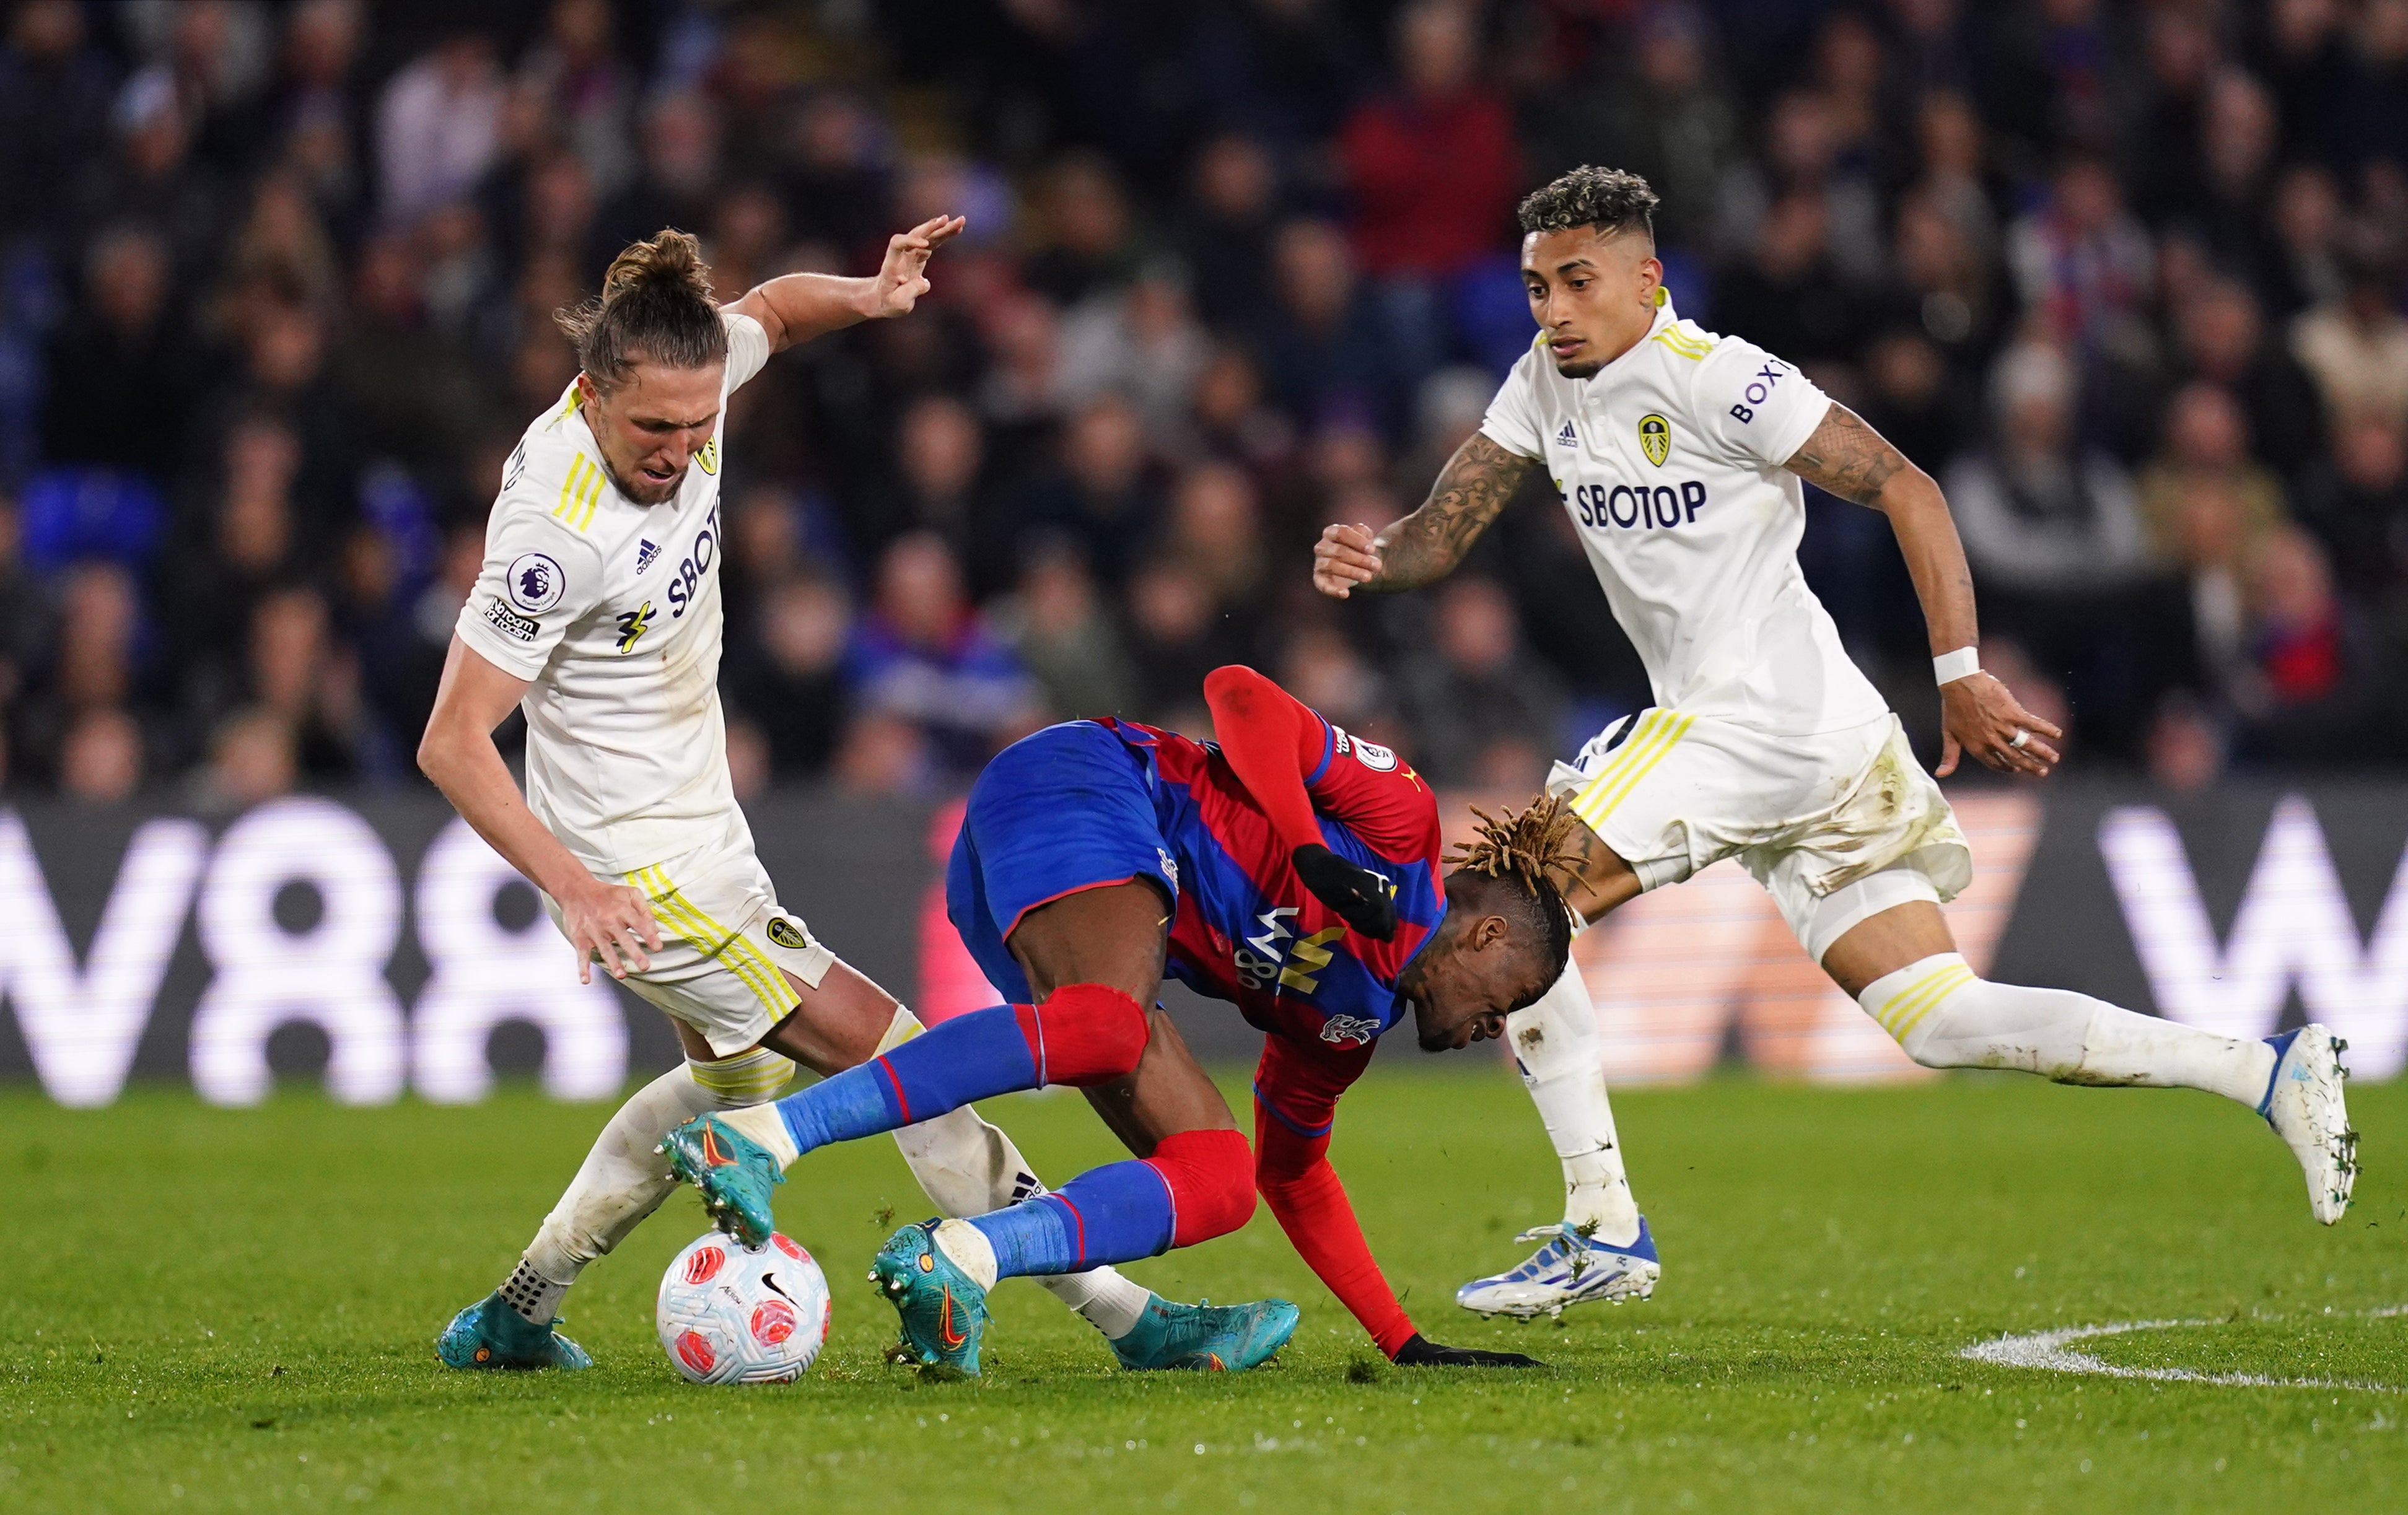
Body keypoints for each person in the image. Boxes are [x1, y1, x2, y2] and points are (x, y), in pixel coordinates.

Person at [1311, 167, 2358, 1321]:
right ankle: (2266, 1069)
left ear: (1646, 279)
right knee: (1943, 1016)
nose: (1552, 308)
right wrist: (1380, 552)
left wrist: (1961, 674)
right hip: (1819, 744)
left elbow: (1906, 486)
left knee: (1515, 899)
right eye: (1534, 286)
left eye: (1577, 281)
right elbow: (1445, 526)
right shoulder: (1540, 387)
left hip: (1754, 720)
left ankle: (1604, 1225)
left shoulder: (1723, 380)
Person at [420, 220, 1286, 1376]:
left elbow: (771, 311)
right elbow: (452, 738)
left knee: (734, 1088)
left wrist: (871, 297)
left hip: (701, 823)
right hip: (636, 866)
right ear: (589, 395)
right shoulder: (553, 533)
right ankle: (1132, 1319)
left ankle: (518, 1313)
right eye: (652, 431)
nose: (678, 451)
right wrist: (574, 888)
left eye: (695, 424)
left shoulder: (690, 377)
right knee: (911, 1061)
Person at [664, 665, 1574, 1374]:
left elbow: (1294, 1177)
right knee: (1106, 1025)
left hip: (1047, 897)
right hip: (1086, 779)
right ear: (1487, 932)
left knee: (1222, 1178)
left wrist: (1403, 1340)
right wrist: (1308, 848)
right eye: (1512, 996)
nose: (1499, 1027)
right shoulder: (1401, 822)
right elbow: (1239, 695)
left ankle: (964, 1260)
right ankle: (766, 1133)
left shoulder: (1349, 1025)